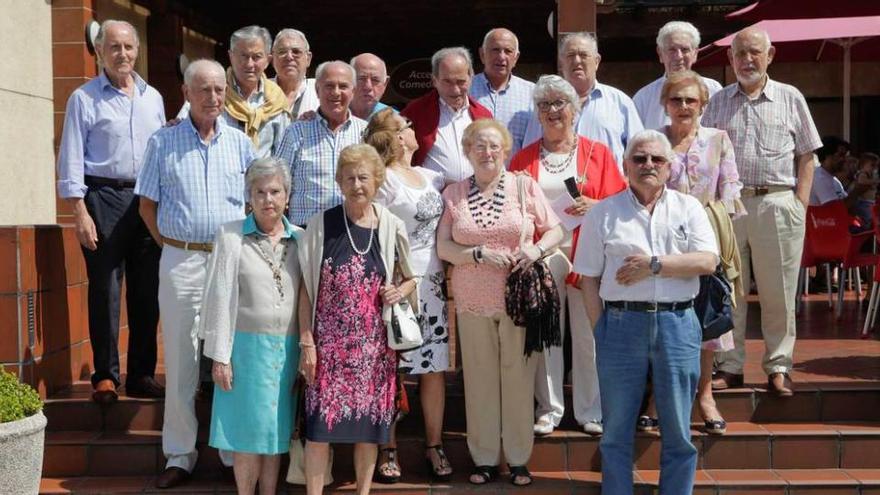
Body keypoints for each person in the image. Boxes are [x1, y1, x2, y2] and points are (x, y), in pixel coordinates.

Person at [574, 129, 718, 495]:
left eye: (656, 159)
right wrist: (600, 328)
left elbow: (707, 261)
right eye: (639, 158)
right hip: (621, 326)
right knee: (617, 430)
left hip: (678, 323)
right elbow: (587, 277)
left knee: (678, 432)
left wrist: (655, 265)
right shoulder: (603, 213)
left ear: (670, 166)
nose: (648, 165)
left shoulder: (689, 208)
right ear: (625, 165)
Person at [135, 59, 256, 489]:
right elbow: (146, 205)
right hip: (181, 259)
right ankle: (180, 454)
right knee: (183, 361)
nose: (214, 98)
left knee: (228, 354)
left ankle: (228, 451)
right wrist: (169, 243)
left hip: (228, 258)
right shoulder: (162, 142)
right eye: (204, 90)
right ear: (185, 93)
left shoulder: (241, 144)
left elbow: (255, 202)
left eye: (220, 90)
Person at [437, 119, 563, 487]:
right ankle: (485, 458)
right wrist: (476, 253)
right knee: (479, 381)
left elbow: (555, 228)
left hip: (519, 300)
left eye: (494, 146)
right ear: (467, 151)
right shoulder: (454, 194)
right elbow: (444, 247)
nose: (487, 152)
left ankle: (519, 459)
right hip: (472, 299)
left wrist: (536, 248)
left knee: (519, 378)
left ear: (505, 150)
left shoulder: (524, 186)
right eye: (479, 146)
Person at [702, 27, 822, 397]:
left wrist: (799, 203)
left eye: (755, 52)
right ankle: (731, 366)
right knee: (731, 292)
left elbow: (808, 154)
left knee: (779, 292)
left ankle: (779, 366)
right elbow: (704, 158)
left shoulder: (790, 97)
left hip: (778, 202)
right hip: (731, 206)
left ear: (770, 55)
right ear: (730, 58)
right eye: (740, 54)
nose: (747, 60)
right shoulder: (717, 102)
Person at [296, 144, 418, 495]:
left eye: (364, 177)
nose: (357, 184)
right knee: (319, 431)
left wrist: (399, 289)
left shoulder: (390, 224)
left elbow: (411, 277)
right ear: (339, 181)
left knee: (369, 431)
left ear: (377, 180)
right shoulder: (322, 224)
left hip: (374, 349)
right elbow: (306, 287)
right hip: (329, 349)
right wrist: (307, 340)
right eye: (349, 177)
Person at [508, 75, 626, 437]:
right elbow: (513, 208)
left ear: (574, 111)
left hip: (589, 253)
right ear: (537, 114)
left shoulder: (598, 153)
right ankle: (550, 408)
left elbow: (621, 201)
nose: (553, 111)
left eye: (560, 104)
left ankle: (591, 409)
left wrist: (597, 204)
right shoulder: (524, 158)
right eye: (545, 105)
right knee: (547, 333)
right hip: (545, 255)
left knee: (589, 333)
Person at [56, 19, 166, 403]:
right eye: (114, 47)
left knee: (146, 290)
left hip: (147, 201)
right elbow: (70, 156)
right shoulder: (83, 98)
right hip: (102, 197)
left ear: (138, 51)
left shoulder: (153, 98)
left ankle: (141, 374)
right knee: (105, 288)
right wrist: (78, 211)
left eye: (129, 47)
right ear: (100, 51)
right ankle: (105, 375)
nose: (123, 54)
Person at [200, 157, 303, 495]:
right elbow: (217, 297)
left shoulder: (301, 239)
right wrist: (220, 356)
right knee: (246, 434)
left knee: (274, 433)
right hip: (244, 349)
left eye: (275, 191)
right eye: (259, 192)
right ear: (249, 197)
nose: (268, 199)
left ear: (287, 196)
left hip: (285, 350)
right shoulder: (230, 236)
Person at [363, 108, 452, 483]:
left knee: (433, 368)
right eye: (407, 127)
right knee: (391, 368)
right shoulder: (384, 182)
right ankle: (388, 447)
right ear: (398, 138)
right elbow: (373, 233)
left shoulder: (431, 176)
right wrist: (390, 282)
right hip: (397, 283)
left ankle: (434, 446)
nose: (414, 130)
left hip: (431, 283)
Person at [660, 70, 746, 435]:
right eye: (676, 99)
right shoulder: (655, 140)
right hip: (662, 239)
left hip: (706, 237)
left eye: (690, 100)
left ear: (703, 104)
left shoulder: (718, 139)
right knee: (663, 319)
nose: (683, 107)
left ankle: (706, 394)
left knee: (707, 318)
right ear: (666, 103)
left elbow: (730, 187)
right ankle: (657, 397)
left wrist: (719, 240)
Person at [522, 32, 643, 169]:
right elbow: (529, 152)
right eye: (570, 55)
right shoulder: (544, 107)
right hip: (555, 186)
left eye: (583, 55)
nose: (577, 61)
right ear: (561, 62)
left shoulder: (620, 102)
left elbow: (640, 150)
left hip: (609, 188)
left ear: (596, 61)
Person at [276, 61, 367, 227]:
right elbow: (277, 182)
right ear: (317, 90)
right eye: (329, 86)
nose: (336, 92)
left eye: (343, 86)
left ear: (353, 91)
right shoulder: (296, 132)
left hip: (352, 231)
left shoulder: (365, 133)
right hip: (306, 233)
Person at [177, 26, 288, 158]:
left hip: (262, 176)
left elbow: (284, 153)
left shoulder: (276, 100)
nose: (249, 64)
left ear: (268, 60)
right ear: (231, 56)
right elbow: (181, 129)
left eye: (256, 57)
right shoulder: (210, 93)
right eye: (243, 56)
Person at [401, 47, 492, 184]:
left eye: (461, 82)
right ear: (434, 80)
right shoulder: (415, 112)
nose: (455, 90)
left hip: (476, 197)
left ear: (471, 78)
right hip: (434, 197)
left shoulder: (483, 115)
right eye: (447, 82)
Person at [632, 21, 723, 130]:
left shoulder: (714, 90)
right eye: (672, 50)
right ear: (660, 53)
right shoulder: (644, 98)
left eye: (685, 50)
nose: (679, 56)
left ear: (695, 54)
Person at [470, 28, 534, 158]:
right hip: (472, 176)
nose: (501, 57)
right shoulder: (466, 90)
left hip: (517, 175)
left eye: (508, 51)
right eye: (495, 50)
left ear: (516, 58)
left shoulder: (532, 93)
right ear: (482, 54)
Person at [271, 28, 319, 121]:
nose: (289, 57)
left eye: (296, 52)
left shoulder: (321, 91)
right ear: (273, 58)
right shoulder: (259, 90)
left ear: (308, 59)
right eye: (282, 52)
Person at [809, 137, 854, 207]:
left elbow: (847, 206)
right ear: (828, 156)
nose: (845, 160)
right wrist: (858, 191)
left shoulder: (834, 181)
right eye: (841, 155)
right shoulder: (819, 178)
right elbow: (835, 209)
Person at [350, 53, 394, 120]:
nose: (368, 87)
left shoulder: (395, 120)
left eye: (375, 80)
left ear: (385, 84)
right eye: (361, 78)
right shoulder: (331, 115)